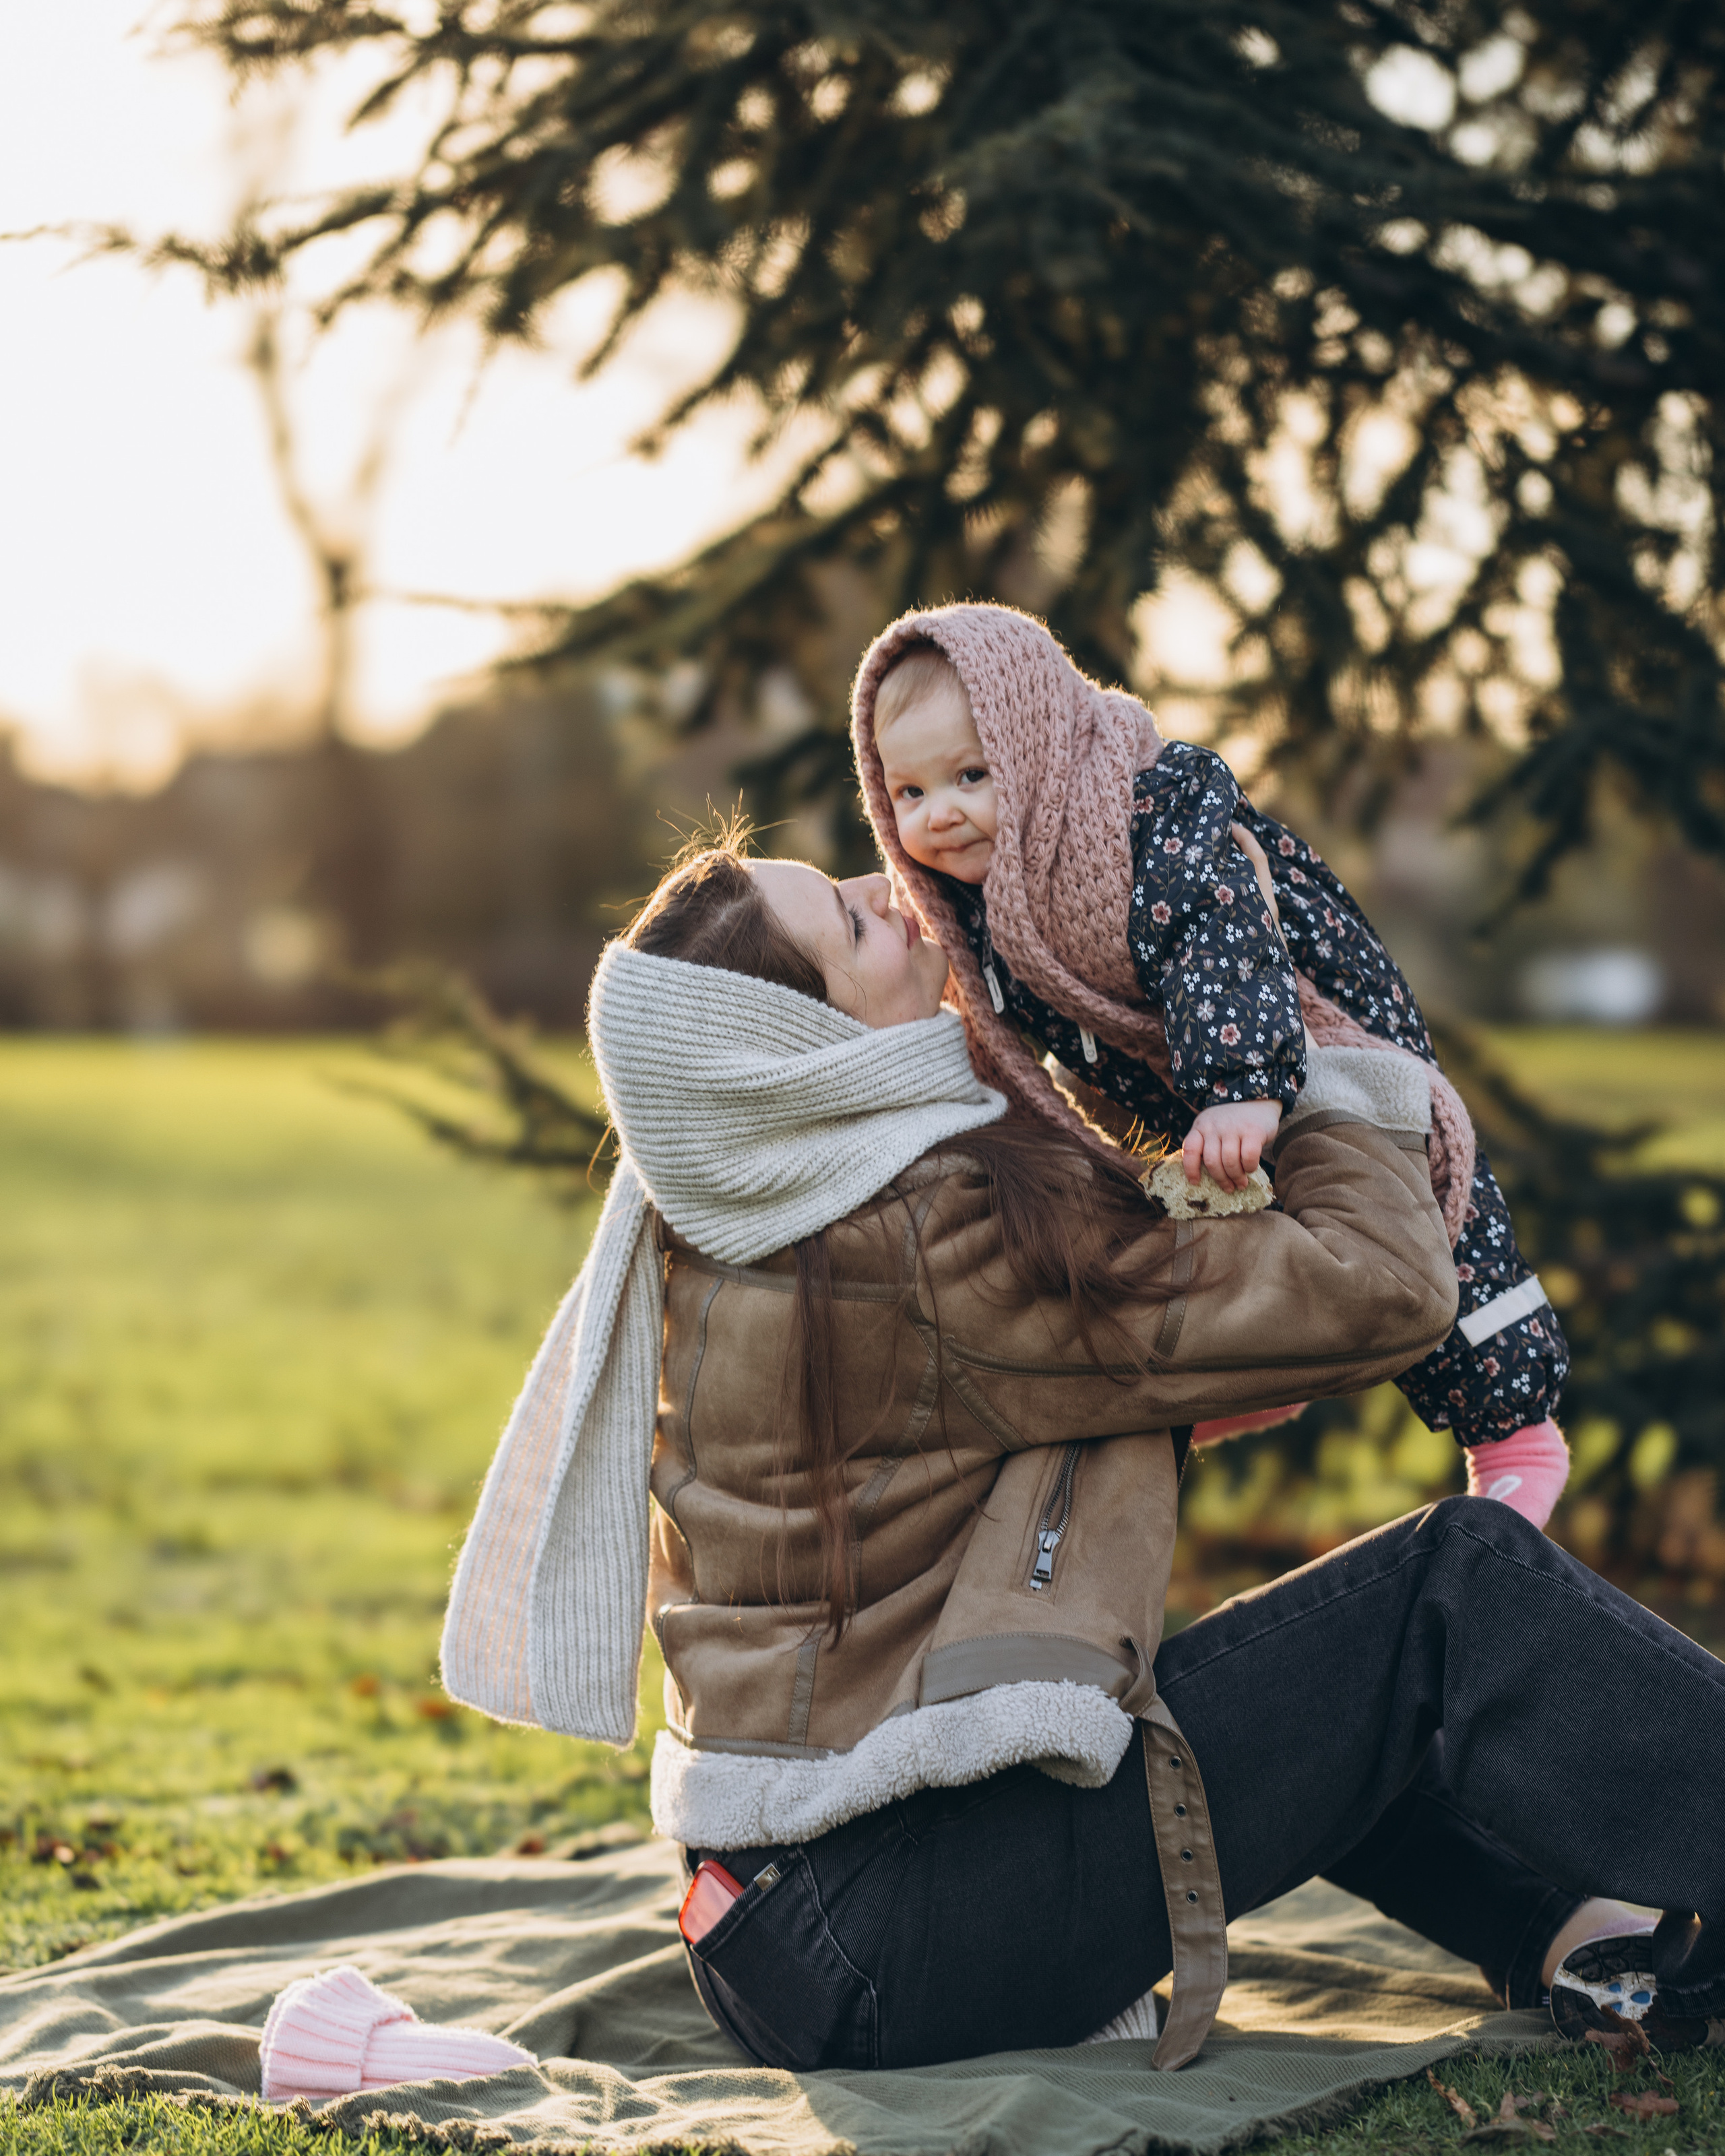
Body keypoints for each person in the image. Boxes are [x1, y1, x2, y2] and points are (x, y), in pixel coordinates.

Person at [439, 835, 1724, 2075]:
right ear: (803, 1056)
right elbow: (1382, 1287)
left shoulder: (754, 1221)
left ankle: (1559, 1938)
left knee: (1270, 1670)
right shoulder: (913, 1245)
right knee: (1454, 1585)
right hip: (881, 1932)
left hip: (785, 1929)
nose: (880, 891)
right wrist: (1315, 1054)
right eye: (845, 921)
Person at [850, 604, 1570, 1527]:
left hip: (1297, 1023)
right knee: (1186, 1219)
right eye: (908, 794)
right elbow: (988, 1030)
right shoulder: (978, 897)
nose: (939, 815)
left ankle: (1515, 1430)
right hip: (1168, 1084)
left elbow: (1215, 935)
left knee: (1424, 1197)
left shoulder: (1153, 814)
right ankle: (1261, 1367)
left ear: (1037, 753)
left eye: (971, 776)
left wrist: (1241, 1086)